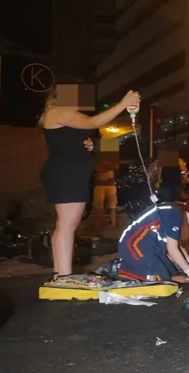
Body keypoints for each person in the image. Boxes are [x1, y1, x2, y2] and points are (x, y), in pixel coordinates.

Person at [40, 87, 140, 284]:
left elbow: (73, 138)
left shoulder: (63, 115)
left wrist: (91, 145)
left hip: (69, 173)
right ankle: (63, 277)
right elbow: (92, 122)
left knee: (66, 225)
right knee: (67, 225)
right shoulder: (57, 111)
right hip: (65, 174)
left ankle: (60, 275)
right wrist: (122, 103)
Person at [117, 197, 189, 282]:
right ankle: (123, 270)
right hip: (133, 244)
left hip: (151, 246)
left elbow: (179, 245)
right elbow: (172, 250)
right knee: (162, 280)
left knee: (171, 271)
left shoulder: (180, 211)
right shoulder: (175, 215)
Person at [92, 162, 118, 235]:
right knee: (99, 208)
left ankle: (114, 225)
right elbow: (97, 168)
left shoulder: (112, 156)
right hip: (99, 186)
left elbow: (115, 166)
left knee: (113, 207)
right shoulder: (98, 157)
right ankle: (97, 227)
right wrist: (110, 167)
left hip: (111, 186)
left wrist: (103, 167)